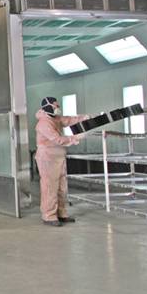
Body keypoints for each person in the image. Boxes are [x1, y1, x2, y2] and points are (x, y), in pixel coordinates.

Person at [35, 97, 89, 227]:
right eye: (55, 106)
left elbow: (69, 120)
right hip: (47, 158)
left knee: (61, 187)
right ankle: (49, 216)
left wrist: (85, 117)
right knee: (50, 187)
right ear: (48, 107)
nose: (57, 107)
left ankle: (61, 214)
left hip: (59, 157)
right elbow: (57, 139)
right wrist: (75, 138)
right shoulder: (43, 123)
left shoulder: (55, 118)